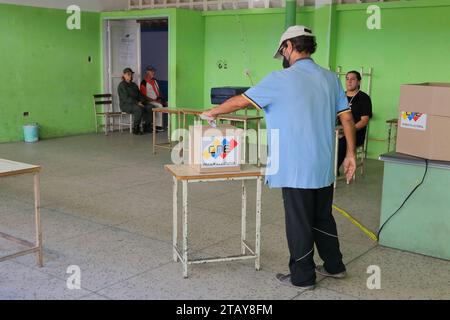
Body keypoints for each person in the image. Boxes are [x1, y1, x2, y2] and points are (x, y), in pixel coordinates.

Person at [201, 25, 356, 289]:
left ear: (289, 47)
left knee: (299, 221)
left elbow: (240, 101)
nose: (282, 56)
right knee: (322, 216)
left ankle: (303, 276)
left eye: (282, 50)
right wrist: (351, 153)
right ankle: (334, 265)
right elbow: (347, 117)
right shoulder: (331, 79)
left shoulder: (279, 79)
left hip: (295, 166)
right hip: (323, 164)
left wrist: (213, 112)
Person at [337, 71, 373, 172]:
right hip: (338, 131)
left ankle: (333, 170)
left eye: (353, 79)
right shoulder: (340, 97)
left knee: (342, 142)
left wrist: (347, 131)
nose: (349, 81)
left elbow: (364, 121)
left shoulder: (364, 98)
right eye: (347, 79)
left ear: (359, 82)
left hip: (356, 133)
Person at [117, 67, 154, 135]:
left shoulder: (134, 85)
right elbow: (126, 98)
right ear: (124, 75)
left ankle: (147, 127)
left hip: (136, 103)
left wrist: (142, 101)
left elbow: (140, 95)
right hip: (126, 105)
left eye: (131, 74)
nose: (130, 76)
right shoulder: (121, 85)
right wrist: (137, 103)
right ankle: (136, 128)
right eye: (128, 74)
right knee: (138, 109)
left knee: (150, 107)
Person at [140, 66, 167, 132]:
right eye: (151, 71)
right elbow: (143, 96)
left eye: (153, 71)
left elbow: (159, 91)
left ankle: (170, 124)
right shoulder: (143, 82)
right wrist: (155, 101)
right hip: (149, 101)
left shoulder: (155, 81)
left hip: (157, 100)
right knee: (159, 106)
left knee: (169, 104)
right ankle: (157, 126)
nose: (153, 72)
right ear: (147, 72)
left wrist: (160, 99)